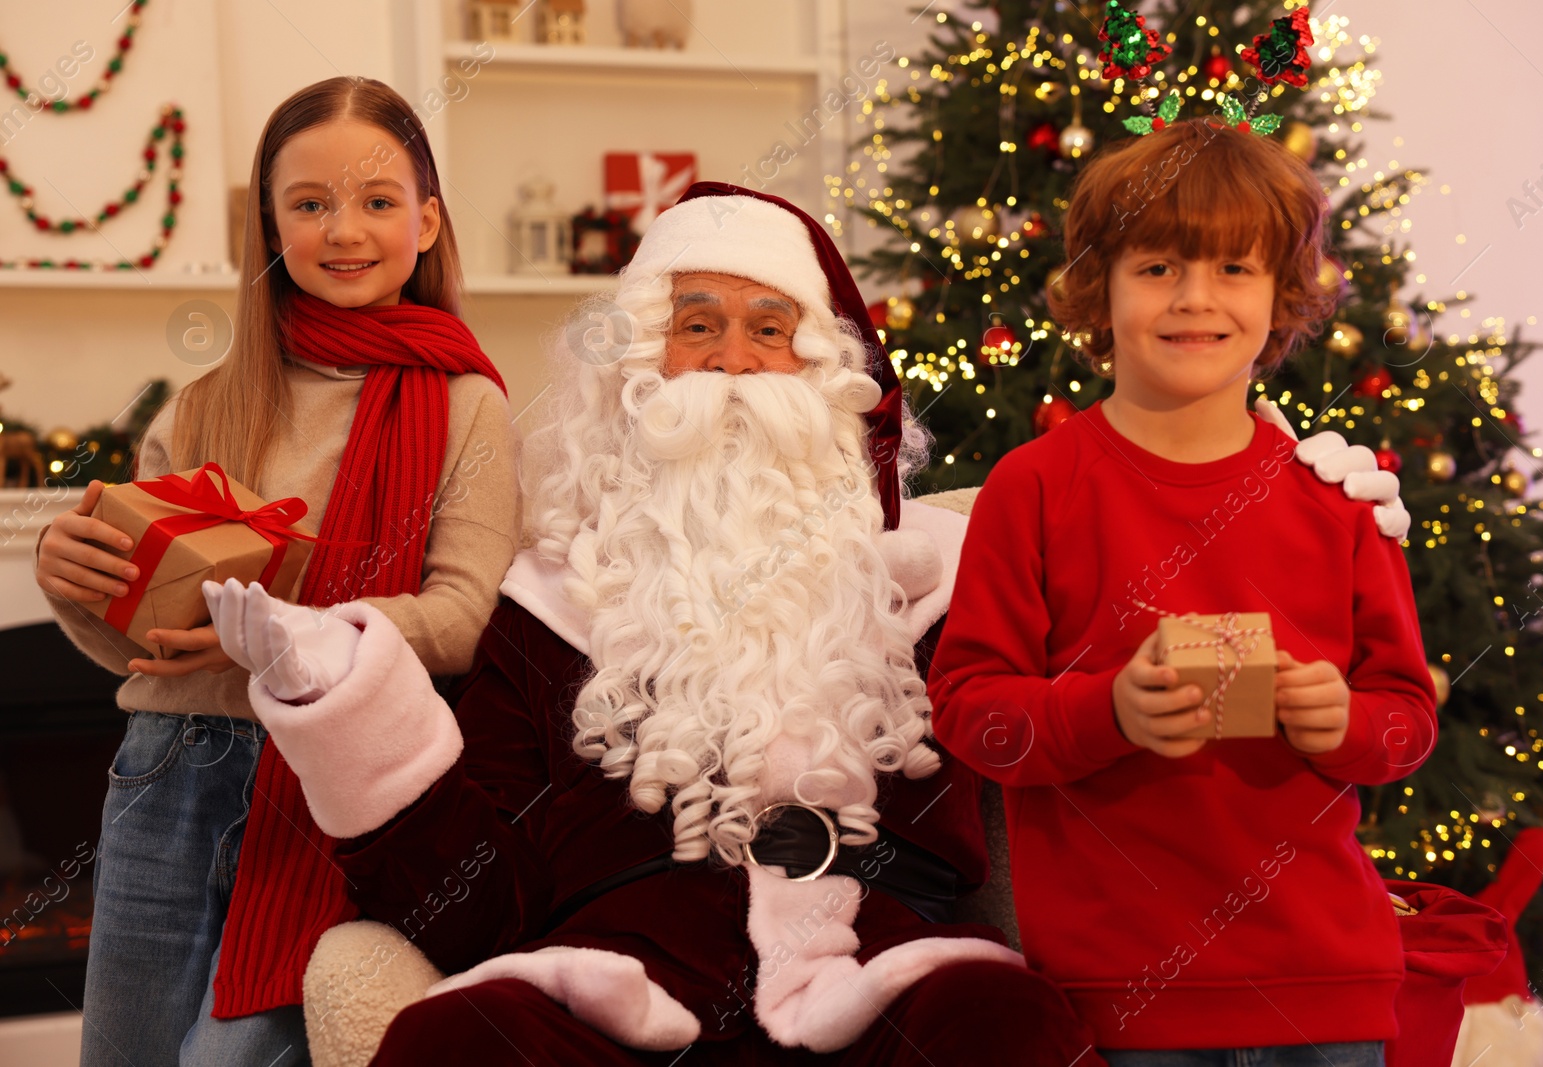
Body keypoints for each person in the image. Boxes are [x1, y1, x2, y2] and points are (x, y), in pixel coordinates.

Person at [203, 183, 1106, 1066]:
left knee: (1007, 1026)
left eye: (770, 330)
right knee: (456, 1042)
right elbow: (476, 909)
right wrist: (349, 709)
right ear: (638, 366)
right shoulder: (546, 609)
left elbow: (1073, 736)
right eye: (698, 326)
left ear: (822, 371)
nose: (733, 362)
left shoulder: (942, 580)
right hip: (625, 986)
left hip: (883, 972)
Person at [33, 76, 520, 1066]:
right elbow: (142, 636)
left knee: (228, 1058)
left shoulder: (469, 405)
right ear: (269, 222)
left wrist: (284, 634)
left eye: (378, 201)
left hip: (328, 776)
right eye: (309, 203)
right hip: (166, 766)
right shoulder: (206, 404)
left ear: (426, 220)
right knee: (120, 1055)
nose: (346, 229)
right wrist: (73, 581)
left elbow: (466, 616)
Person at [928, 118, 1435, 1062]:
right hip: (1118, 1001)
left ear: (1282, 296)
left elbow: (1406, 722)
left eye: (1234, 270)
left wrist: (1343, 722)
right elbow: (972, 716)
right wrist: (1108, 710)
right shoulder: (1034, 489)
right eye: (1158, 266)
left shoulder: (1342, 501)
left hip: (1328, 994)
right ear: (1100, 289)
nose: (1195, 299)